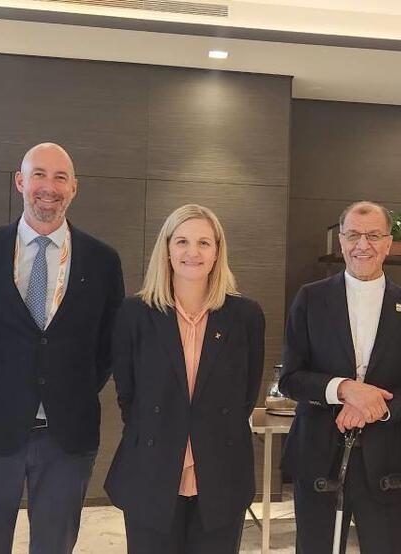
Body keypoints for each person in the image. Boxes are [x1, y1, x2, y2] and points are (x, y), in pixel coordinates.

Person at [0, 142, 125, 554]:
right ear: (19, 182)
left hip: (66, 438)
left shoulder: (102, 261)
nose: (49, 187)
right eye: (39, 175)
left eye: (61, 177)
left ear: (74, 188)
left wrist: (64, 389)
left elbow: (106, 348)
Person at [279, 200, 401, 554]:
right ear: (340, 240)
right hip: (318, 458)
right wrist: (345, 390)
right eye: (353, 235)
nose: (362, 245)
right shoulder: (310, 299)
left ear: (388, 243)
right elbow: (290, 378)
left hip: (389, 466)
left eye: (373, 235)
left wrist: (375, 407)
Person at [106, 204, 266, 553]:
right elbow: (128, 395)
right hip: (152, 470)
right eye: (182, 241)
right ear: (166, 249)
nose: (192, 252)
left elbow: (246, 394)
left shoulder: (245, 315)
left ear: (217, 251)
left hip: (221, 473)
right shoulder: (135, 313)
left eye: (203, 243)